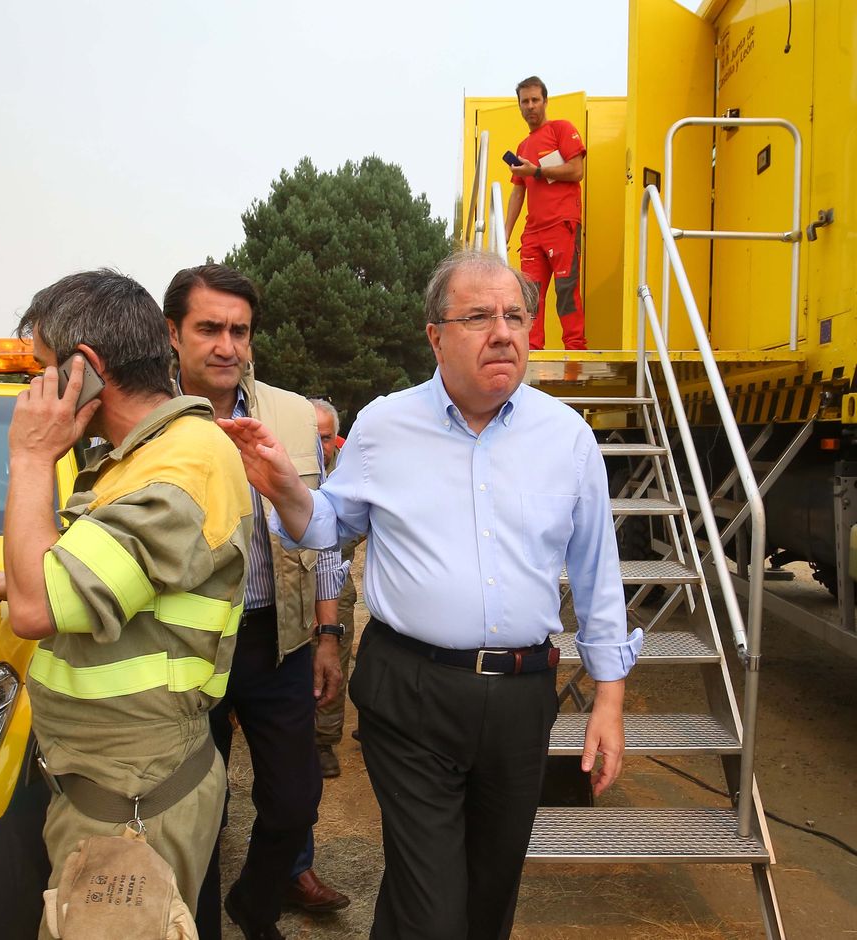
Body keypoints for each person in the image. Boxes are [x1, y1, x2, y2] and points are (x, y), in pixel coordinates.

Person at [219, 250, 642, 940]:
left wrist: (610, 702)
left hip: (520, 698)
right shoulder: (387, 426)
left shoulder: (567, 438)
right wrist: (288, 489)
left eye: (514, 316)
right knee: (430, 907)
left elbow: (597, 574)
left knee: (487, 898)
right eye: (478, 316)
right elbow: (330, 525)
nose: (502, 332)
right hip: (410, 694)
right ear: (435, 335)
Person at [1, 270, 251, 939]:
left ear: (83, 370)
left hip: (132, 798)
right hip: (118, 784)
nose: (33, 391)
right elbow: (94, 576)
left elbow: (35, 610)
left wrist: (29, 459)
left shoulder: (178, 469)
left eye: (41, 369)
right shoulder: (146, 458)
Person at [163, 263, 349, 940]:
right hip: (184, 647)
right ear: (173, 334)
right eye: (209, 328)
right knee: (195, 813)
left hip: (279, 641)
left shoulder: (294, 414)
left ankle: (255, 902)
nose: (227, 345)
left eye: (239, 330)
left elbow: (322, 528)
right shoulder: (148, 419)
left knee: (295, 801)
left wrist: (328, 634)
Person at [503, 75, 588, 351]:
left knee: (566, 289)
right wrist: (505, 232)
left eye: (535, 100)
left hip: (562, 224)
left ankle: (575, 348)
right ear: (519, 106)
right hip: (533, 232)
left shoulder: (561, 129)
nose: (530, 106)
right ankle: (532, 351)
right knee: (529, 296)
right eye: (524, 101)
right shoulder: (523, 147)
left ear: (545, 101)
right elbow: (518, 192)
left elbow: (577, 171)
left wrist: (537, 171)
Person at [308, 398, 358, 780]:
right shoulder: (286, 468)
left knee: (333, 659)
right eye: (311, 436)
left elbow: (355, 530)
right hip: (292, 581)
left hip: (336, 581)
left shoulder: (348, 475)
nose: (318, 446)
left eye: (325, 438)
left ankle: (324, 741)